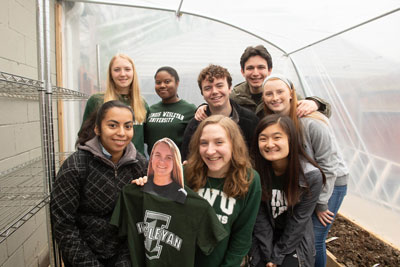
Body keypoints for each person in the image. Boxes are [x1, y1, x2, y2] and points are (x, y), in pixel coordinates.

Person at [262, 75, 349, 267]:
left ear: (291, 94)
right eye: (269, 93)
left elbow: (328, 166)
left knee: (316, 239)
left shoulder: (312, 123)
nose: (274, 97)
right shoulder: (276, 121)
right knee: (303, 234)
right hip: (309, 183)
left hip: (331, 183)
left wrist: (321, 203)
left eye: (280, 92)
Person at [51, 100, 148, 266]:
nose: (122, 133)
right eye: (112, 125)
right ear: (97, 129)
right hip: (83, 257)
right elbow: (63, 225)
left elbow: (140, 223)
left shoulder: (140, 165)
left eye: (128, 126)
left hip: (125, 257)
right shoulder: (75, 167)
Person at [110, 137, 228, 267]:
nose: (162, 161)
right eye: (157, 155)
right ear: (151, 158)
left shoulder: (198, 207)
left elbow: (213, 246)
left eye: (169, 157)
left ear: (176, 162)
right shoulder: (131, 195)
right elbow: (116, 240)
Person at [185, 115, 262, 266]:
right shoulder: (184, 174)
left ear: (234, 144)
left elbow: (242, 235)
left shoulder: (249, 179)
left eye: (219, 142)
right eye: (203, 143)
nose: (210, 151)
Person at [249, 114, 325, 267]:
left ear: (290, 139)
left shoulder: (310, 176)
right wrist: (267, 254)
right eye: (263, 139)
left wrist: (277, 256)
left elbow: (299, 221)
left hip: (294, 239)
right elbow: (260, 217)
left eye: (277, 138)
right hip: (264, 235)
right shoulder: (254, 173)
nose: (270, 144)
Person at [195, 45, 331, 121]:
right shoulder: (235, 96)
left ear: (269, 70)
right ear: (242, 71)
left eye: (261, 67)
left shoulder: (280, 92)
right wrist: (203, 106)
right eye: (250, 68)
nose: (255, 73)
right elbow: (218, 104)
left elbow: (326, 112)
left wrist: (315, 103)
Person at [181, 64, 259, 160]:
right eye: (208, 88)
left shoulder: (249, 120)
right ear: (202, 94)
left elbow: (257, 158)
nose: (214, 91)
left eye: (219, 86)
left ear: (230, 88)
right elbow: (187, 158)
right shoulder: (195, 125)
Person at [81, 53, 149, 155]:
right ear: (111, 74)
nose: (122, 74)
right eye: (117, 70)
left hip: (136, 166)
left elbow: (147, 138)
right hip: (104, 164)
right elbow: (84, 137)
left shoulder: (141, 103)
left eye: (127, 69)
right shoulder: (97, 101)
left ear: (133, 73)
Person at [145, 67, 196, 155]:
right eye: (158, 82)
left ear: (177, 83)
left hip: (178, 165)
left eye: (167, 81)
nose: (162, 85)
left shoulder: (190, 110)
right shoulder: (151, 110)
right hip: (154, 164)